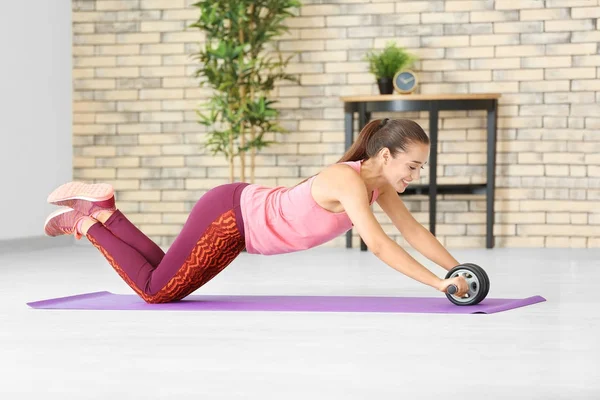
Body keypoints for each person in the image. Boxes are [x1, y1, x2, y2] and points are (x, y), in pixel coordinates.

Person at [44, 118, 469, 303]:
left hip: (238, 223)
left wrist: (459, 271)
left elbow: (414, 233)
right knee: (156, 292)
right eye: (411, 165)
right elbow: (377, 245)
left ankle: (106, 211)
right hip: (229, 214)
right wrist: (437, 284)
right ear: (386, 154)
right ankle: (83, 222)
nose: (415, 174)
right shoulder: (348, 180)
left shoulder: (380, 187)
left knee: (160, 270)